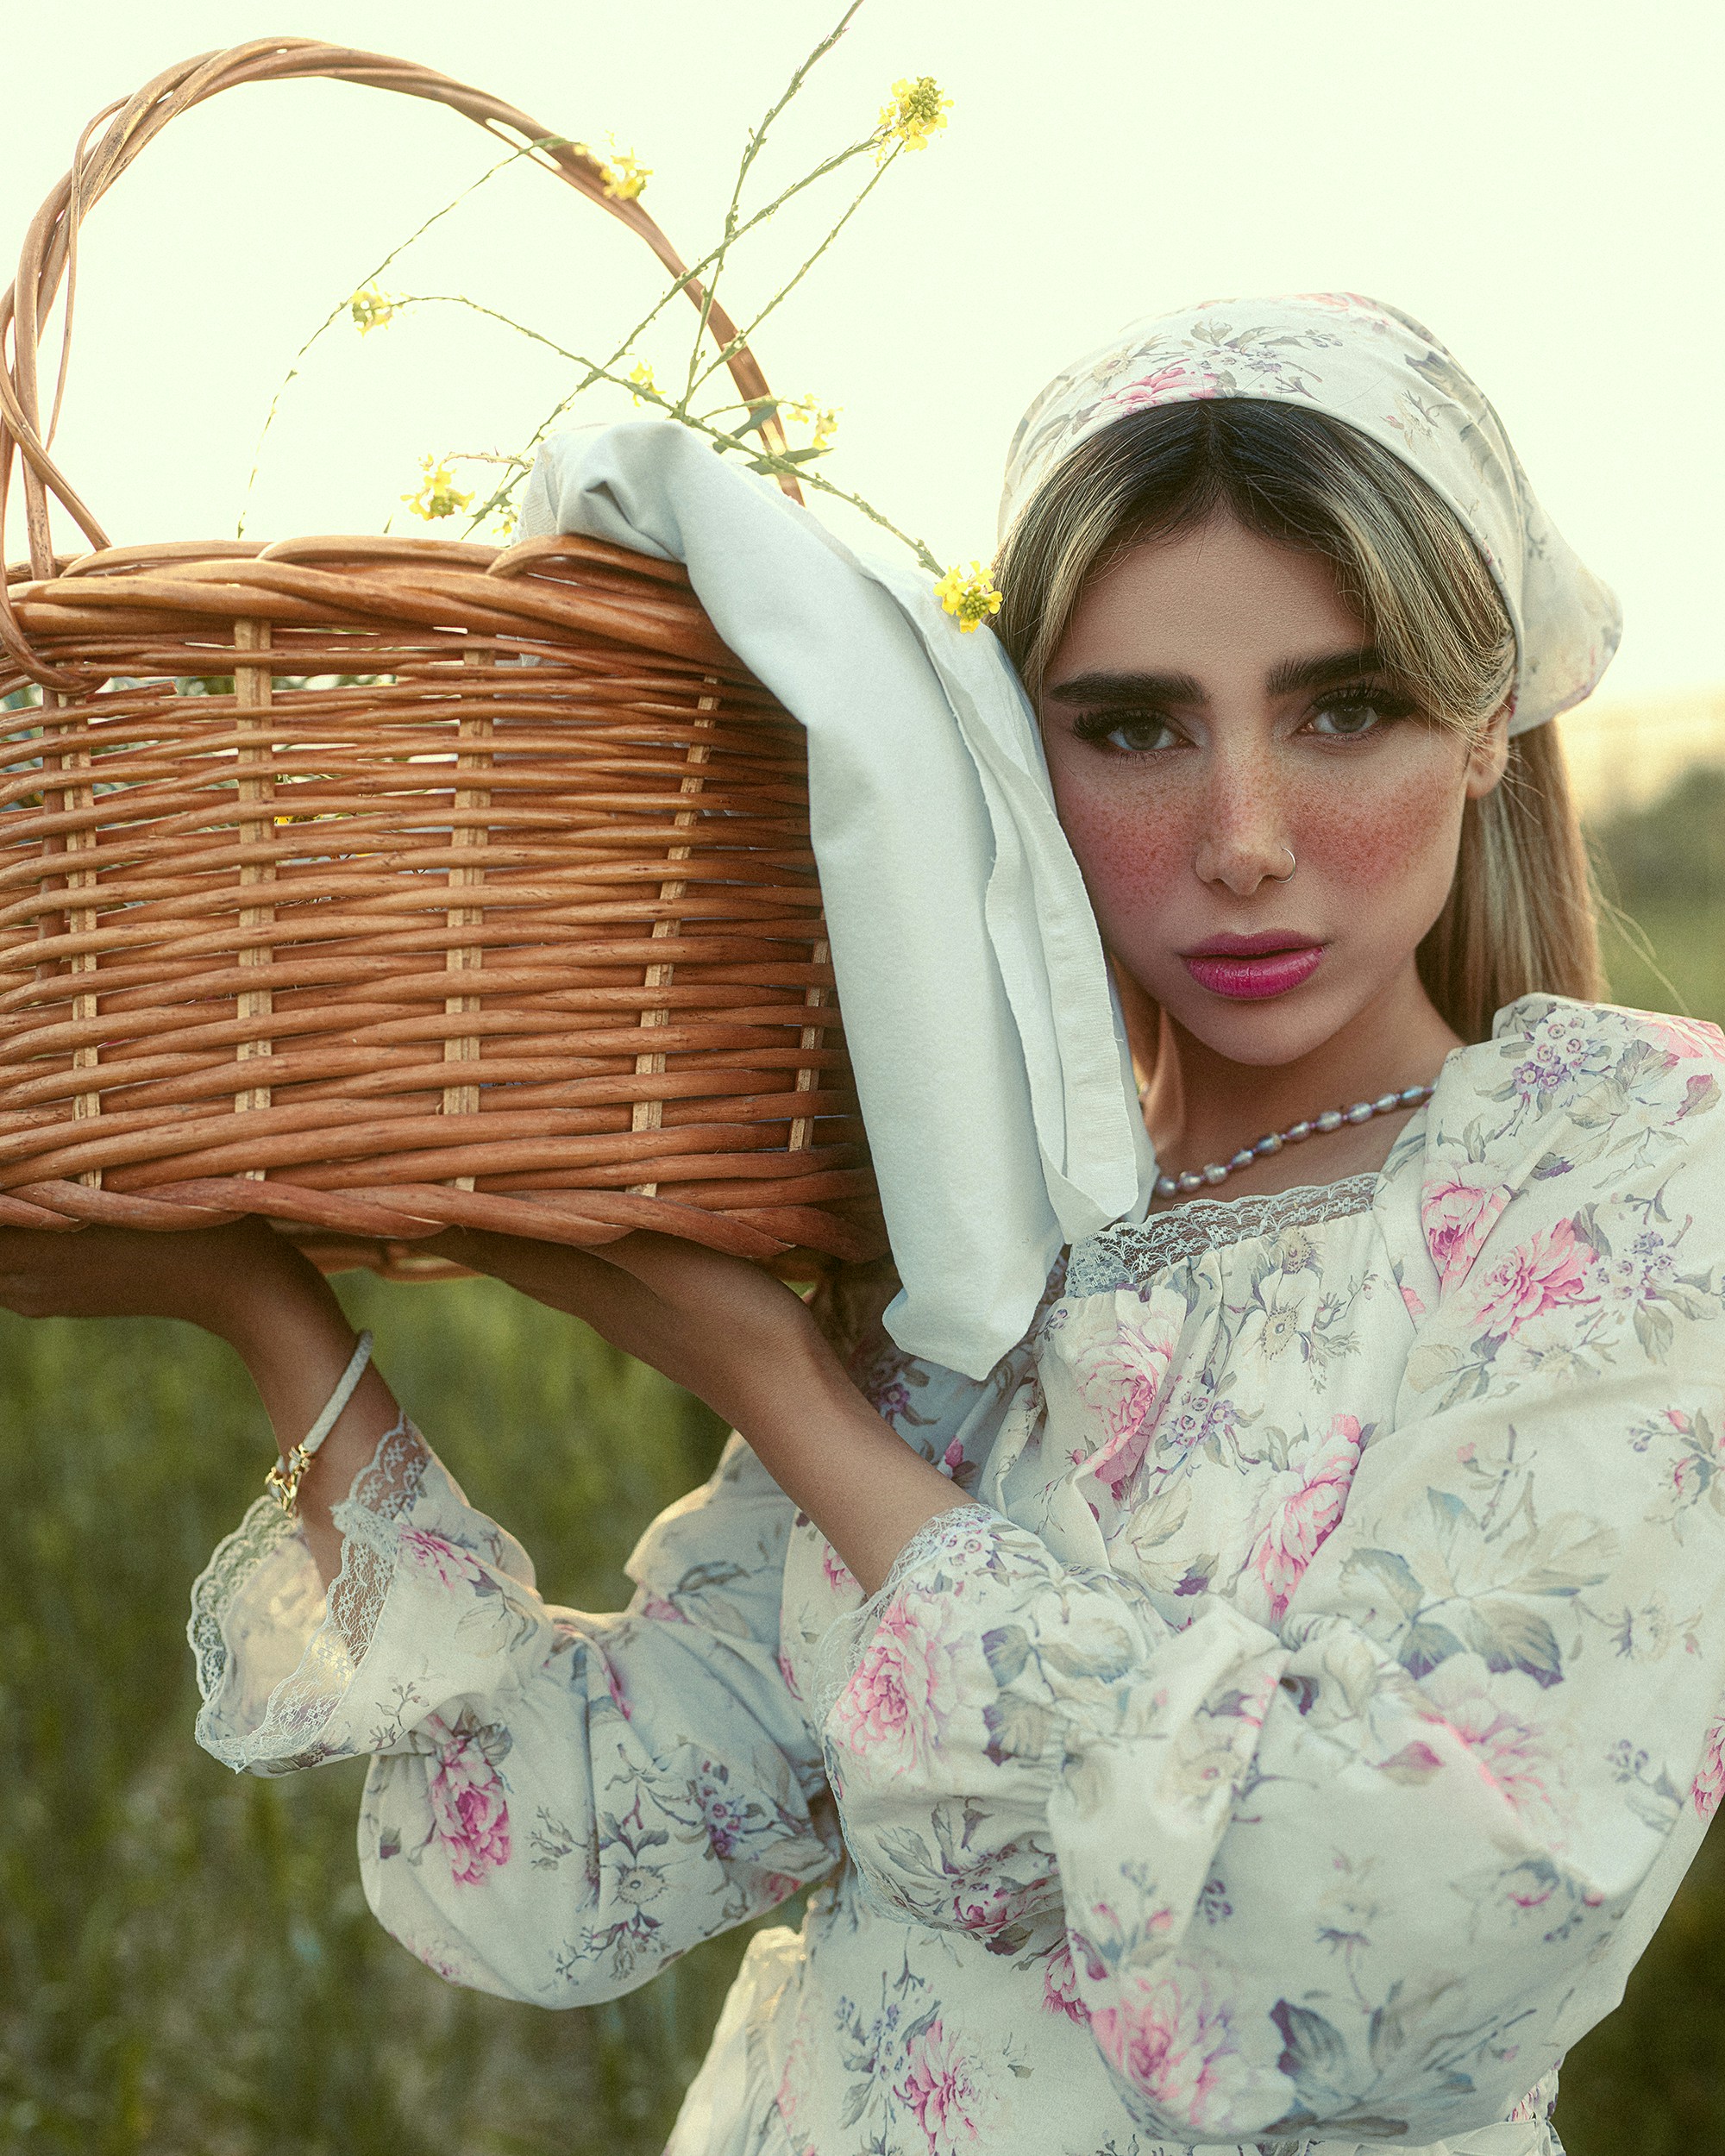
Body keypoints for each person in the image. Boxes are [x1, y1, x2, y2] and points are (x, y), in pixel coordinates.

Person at [4, 294, 1723, 2156]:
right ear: (1016, 765)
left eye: (1346, 706)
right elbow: (547, 1864)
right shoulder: (987, 1247)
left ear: (1485, 729)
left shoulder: (1619, 1169)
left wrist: (793, 1405)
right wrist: (267, 1310)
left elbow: (1392, 1927)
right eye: (1134, 726)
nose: (1242, 833)